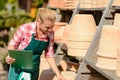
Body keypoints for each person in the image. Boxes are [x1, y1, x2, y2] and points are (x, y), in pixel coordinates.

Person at [6, 8, 66, 80]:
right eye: (47, 27)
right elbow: (12, 44)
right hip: (18, 69)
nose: (50, 30)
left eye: (52, 27)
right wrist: (10, 56)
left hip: (33, 70)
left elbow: (49, 55)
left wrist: (58, 74)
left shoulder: (50, 33)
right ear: (38, 20)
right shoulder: (24, 28)